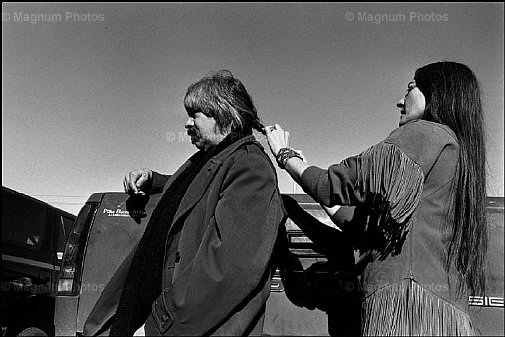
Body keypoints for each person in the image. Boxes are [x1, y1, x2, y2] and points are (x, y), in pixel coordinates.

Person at [265, 61, 488, 336]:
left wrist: (286, 156)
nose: (399, 101)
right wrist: (306, 173)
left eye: (410, 89)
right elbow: (359, 223)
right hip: (440, 311)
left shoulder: (424, 133)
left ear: (436, 93)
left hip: (406, 308)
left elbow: (332, 185)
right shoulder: (454, 154)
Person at [84, 70, 285, 336]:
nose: (187, 124)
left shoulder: (250, 166)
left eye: (195, 115)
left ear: (223, 113)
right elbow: (195, 189)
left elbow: (227, 269)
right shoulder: (208, 159)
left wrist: (158, 325)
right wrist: (153, 179)